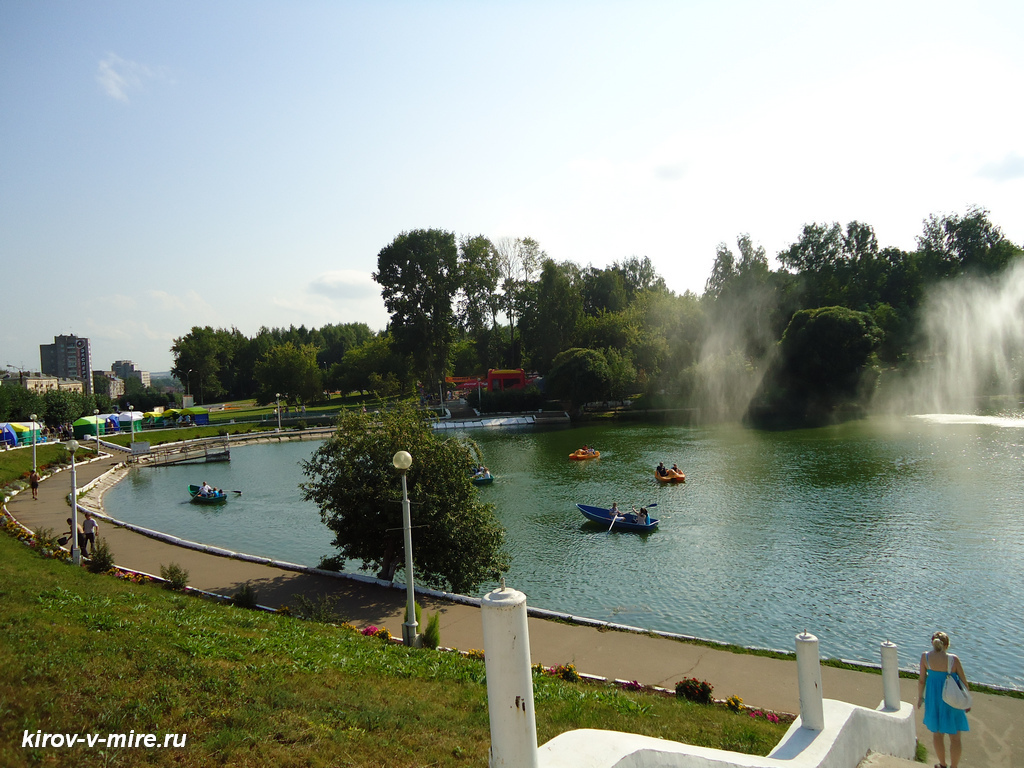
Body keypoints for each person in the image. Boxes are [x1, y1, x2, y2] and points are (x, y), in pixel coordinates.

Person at [918, 630, 970, 768]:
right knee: (955, 738)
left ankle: (942, 764)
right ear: (947, 645)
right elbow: (964, 683)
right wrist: (967, 700)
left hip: (934, 699)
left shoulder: (925, 657)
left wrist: (920, 698)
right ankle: (954, 766)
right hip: (952, 700)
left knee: (937, 735)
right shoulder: (953, 660)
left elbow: (922, 680)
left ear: (932, 643)